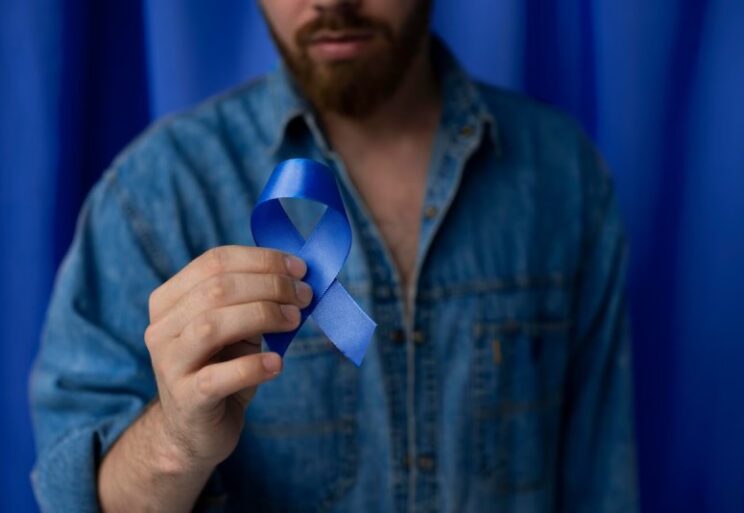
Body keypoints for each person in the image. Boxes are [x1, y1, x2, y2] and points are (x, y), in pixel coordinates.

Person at [29, 0, 638, 511]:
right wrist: (176, 441)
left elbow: (602, 482)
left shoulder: (562, 175)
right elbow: (74, 500)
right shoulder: (154, 193)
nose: (331, 1)